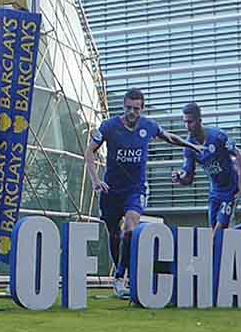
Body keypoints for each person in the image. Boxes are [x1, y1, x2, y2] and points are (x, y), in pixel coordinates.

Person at [84, 89, 204, 299]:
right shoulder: (109, 126)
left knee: (130, 227)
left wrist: (190, 145)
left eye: (136, 108)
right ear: (124, 106)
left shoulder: (148, 126)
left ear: (142, 108)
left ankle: (121, 278)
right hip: (111, 190)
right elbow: (89, 151)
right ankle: (120, 276)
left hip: (135, 189)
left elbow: (168, 137)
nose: (131, 112)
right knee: (114, 233)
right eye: (128, 107)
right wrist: (96, 179)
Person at [170, 102, 241, 233]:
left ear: (199, 120)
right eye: (185, 122)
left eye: (190, 122)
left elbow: (238, 154)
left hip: (231, 188)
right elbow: (189, 178)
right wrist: (180, 179)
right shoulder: (189, 147)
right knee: (216, 233)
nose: (187, 126)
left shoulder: (217, 136)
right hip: (215, 191)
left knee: (218, 231)